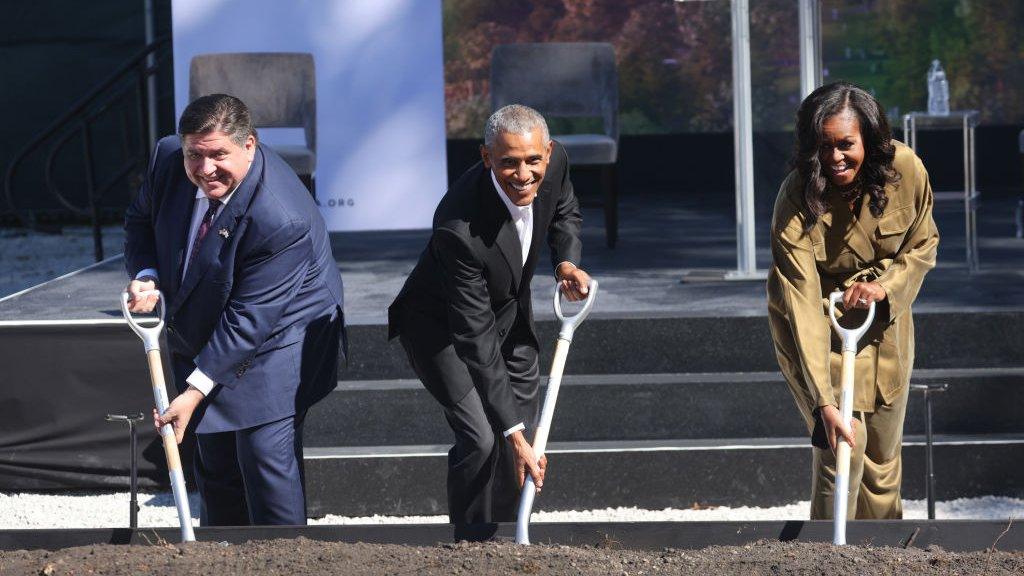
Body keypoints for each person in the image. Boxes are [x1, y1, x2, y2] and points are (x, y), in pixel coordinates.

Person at [123, 94, 345, 526]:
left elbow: (250, 318)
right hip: (206, 311)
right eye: (195, 155)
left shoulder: (280, 218)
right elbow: (140, 220)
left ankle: (286, 558)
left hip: (284, 329)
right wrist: (149, 274)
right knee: (214, 448)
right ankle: (222, 555)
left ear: (249, 146)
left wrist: (194, 389)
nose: (204, 169)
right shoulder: (168, 158)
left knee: (263, 453)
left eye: (218, 155)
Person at [388, 104, 591, 539]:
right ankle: (472, 546)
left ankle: (508, 540)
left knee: (515, 437)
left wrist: (566, 264)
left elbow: (564, 212)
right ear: (486, 159)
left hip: (508, 311)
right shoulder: (457, 228)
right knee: (484, 438)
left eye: (533, 161)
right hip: (440, 328)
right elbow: (474, 337)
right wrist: (514, 433)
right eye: (509, 163)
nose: (523, 174)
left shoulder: (554, 166)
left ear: (548, 153)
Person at [768, 82, 939, 520]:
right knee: (840, 449)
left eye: (846, 144)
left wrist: (886, 288)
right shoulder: (794, 198)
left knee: (882, 457)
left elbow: (923, 244)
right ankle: (828, 557)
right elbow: (801, 301)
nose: (835, 158)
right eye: (824, 146)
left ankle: (883, 557)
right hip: (820, 325)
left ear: (871, 139)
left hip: (884, 320)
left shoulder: (907, 169)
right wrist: (822, 400)